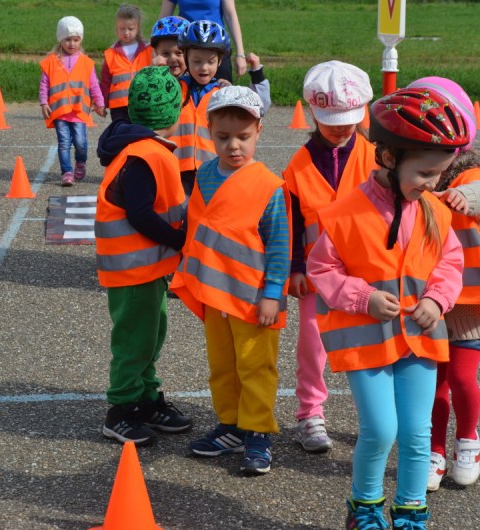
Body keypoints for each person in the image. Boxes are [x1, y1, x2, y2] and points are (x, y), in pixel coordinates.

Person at [307, 87, 467, 529]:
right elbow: (322, 268)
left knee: (417, 434)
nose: (432, 183)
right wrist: (363, 297)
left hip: (420, 338)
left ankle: (411, 512)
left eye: (439, 174)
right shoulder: (344, 213)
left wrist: (437, 299)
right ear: (391, 158)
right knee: (380, 430)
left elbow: (450, 263)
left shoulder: (434, 211)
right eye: (425, 173)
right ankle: (364, 509)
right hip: (366, 340)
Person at [170, 86, 290, 476]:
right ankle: (231, 424)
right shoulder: (205, 175)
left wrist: (273, 294)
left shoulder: (269, 186)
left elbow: (279, 245)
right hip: (215, 293)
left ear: (259, 132)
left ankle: (258, 432)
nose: (233, 145)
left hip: (253, 297)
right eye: (223, 137)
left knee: (256, 366)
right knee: (222, 364)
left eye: (243, 136)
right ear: (209, 132)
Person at [404, 78, 480, 493]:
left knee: (462, 378)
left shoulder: (469, 170)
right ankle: (434, 450)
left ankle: (468, 441)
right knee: (434, 382)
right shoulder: (411, 170)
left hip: (471, 301)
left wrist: (466, 199)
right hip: (430, 297)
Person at [94, 66, 192, 446]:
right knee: (134, 341)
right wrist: (179, 239)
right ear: (173, 112)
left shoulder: (144, 150)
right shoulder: (145, 155)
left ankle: (148, 399)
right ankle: (121, 409)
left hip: (146, 269)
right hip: (133, 271)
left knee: (151, 336)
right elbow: (139, 214)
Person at [283, 60, 375, 454]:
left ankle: (373, 418)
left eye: (348, 121)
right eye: (331, 121)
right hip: (316, 276)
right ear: (314, 113)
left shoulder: (376, 158)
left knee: (369, 347)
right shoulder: (298, 167)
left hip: (366, 273)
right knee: (312, 345)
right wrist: (295, 267)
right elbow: (290, 222)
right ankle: (310, 414)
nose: (340, 128)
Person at [171, 19, 271, 197]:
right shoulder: (173, 88)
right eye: (196, 61)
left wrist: (257, 73)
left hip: (213, 172)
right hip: (177, 172)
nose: (203, 67)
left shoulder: (222, 93)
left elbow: (259, 106)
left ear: (219, 61)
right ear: (186, 58)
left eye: (210, 61)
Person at [39, 16, 106, 186]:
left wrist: (99, 103)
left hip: (78, 111)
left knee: (80, 143)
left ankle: (80, 162)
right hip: (60, 111)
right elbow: (44, 84)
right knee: (64, 143)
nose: (72, 43)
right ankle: (67, 172)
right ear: (61, 39)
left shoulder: (86, 62)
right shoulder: (51, 62)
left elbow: (94, 85)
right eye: (68, 39)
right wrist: (44, 102)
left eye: (76, 40)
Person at [159, 0, 246, 82]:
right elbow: (164, 19)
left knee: (223, 87)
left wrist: (240, 54)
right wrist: (156, 51)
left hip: (216, 46)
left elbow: (230, 15)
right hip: (190, 47)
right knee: (185, 88)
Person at [100, 4, 154, 123]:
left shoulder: (149, 50)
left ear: (138, 28)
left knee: (141, 132)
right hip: (119, 107)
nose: (126, 32)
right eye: (122, 28)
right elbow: (105, 82)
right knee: (121, 133)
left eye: (130, 28)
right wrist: (101, 103)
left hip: (143, 103)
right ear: (116, 28)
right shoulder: (110, 53)